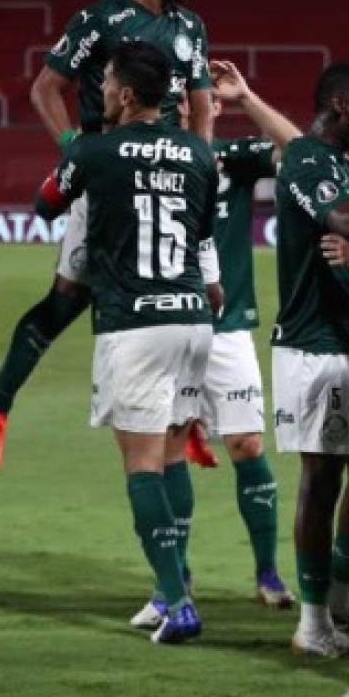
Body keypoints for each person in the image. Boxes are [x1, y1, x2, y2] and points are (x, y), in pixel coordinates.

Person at [0, 0, 213, 468]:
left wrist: (201, 166)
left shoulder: (191, 27)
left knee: (196, 295)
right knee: (68, 299)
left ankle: (185, 414)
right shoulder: (100, 20)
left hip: (172, 181)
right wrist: (75, 148)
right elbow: (45, 86)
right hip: (108, 182)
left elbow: (200, 106)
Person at [34, 41, 217, 644]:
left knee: (141, 465)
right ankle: (171, 586)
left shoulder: (95, 150)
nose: (101, 92)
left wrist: (73, 161)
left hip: (134, 323)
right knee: (170, 454)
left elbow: (46, 204)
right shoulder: (198, 153)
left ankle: (179, 603)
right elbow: (201, 231)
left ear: (128, 94)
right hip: (191, 318)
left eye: (107, 83)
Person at [131, 61, 300, 622]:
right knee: (170, 447)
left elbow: (299, 150)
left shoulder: (232, 159)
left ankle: (267, 572)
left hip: (226, 332)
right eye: (178, 100)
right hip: (167, 327)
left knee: (248, 446)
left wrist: (249, 97)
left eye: (196, 101)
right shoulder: (144, 159)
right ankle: (176, 577)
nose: (187, 108)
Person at [272, 62, 349, 657]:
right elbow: (345, 224)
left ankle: (343, 603)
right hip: (313, 346)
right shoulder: (306, 160)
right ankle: (313, 621)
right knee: (321, 482)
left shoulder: (345, 168)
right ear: (342, 103)